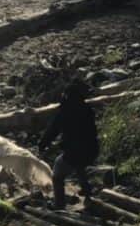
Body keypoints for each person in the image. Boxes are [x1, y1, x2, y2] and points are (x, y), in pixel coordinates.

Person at [39, 79, 99, 209]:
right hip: (92, 150)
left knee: (57, 175)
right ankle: (87, 192)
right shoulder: (87, 109)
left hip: (74, 152)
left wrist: (42, 144)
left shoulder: (64, 111)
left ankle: (59, 205)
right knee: (79, 165)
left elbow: (52, 130)